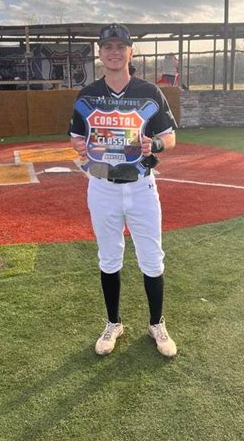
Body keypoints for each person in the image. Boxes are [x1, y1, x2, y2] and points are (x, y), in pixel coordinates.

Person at [69, 23, 178, 358]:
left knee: (152, 259)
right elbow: (77, 137)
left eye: (120, 46)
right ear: (100, 53)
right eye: (108, 47)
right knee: (108, 256)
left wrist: (154, 144)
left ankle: (156, 323)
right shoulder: (87, 95)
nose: (114, 52)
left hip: (141, 186)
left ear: (130, 52)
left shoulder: (149, 92)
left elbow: (170, 137)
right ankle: (113, 323)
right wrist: (79, 147)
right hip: (102, 186)